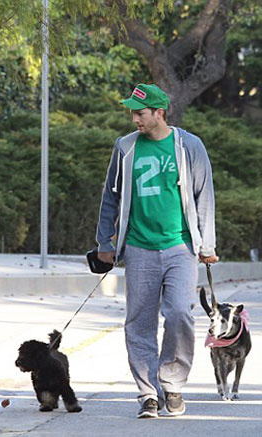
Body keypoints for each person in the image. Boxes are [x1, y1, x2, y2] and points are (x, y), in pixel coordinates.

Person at [95, 83, 218, 419]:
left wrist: (207, 245)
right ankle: (148, 393)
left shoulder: (188, 146)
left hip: (180, 246)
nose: (135, 119)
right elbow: (111, 197)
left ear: (159, 112)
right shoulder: (126, 147)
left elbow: (203, 195)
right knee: (139, 322)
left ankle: (173, 383)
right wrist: (105, 244)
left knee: (179, 313)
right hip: (138, 247)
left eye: (140, 113)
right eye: (133, 113)